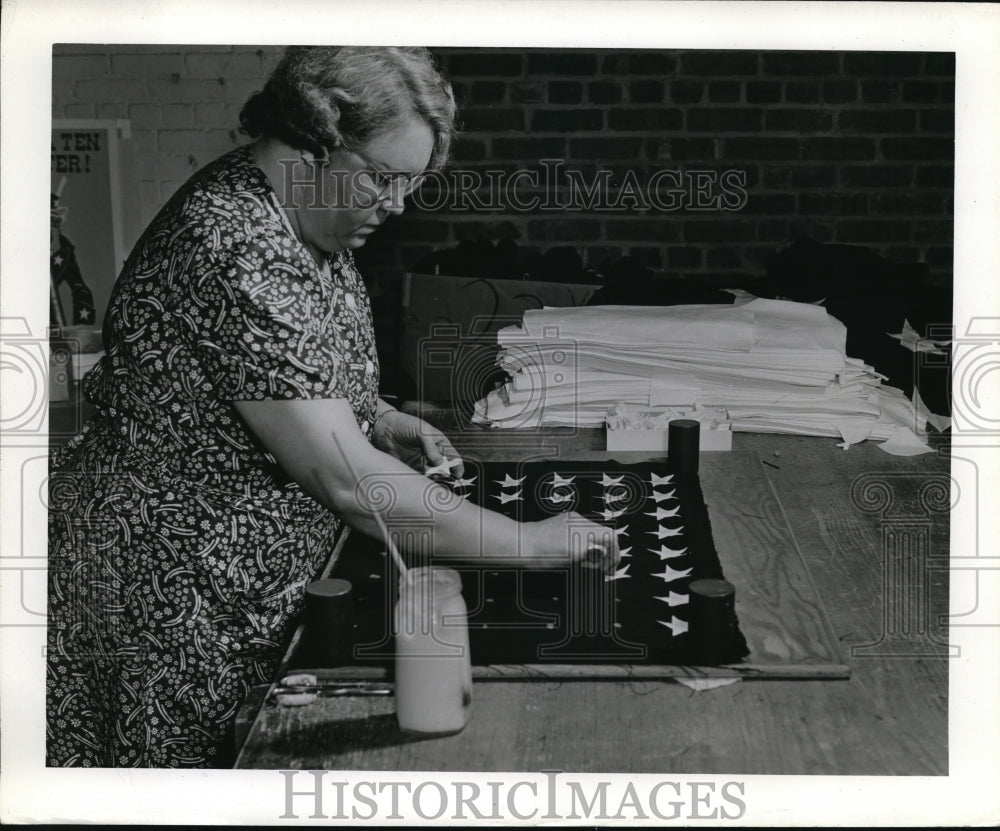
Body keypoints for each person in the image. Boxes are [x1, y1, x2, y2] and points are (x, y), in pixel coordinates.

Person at [46, 46, 618, 768]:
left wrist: (374, 414)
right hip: (169, 597)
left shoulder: (306, 210)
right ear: (314, 143)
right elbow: (347, 480)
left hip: (245, 585)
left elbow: (271, 370)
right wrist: (530, 542)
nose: (398, 204)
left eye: (409, 183)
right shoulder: (234, 243)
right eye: (384, 179)